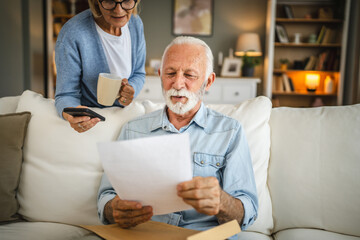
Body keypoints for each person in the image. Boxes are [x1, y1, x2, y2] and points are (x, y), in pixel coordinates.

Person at [97, 36, 258, 238]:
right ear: (160, 75)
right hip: (146, 235)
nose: (177, 83)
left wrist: (222, 201)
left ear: (208, 82)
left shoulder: (230, 132)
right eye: (170, 73)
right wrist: (115, 209)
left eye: (189, 75)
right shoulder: (133, 130)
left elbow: (247, 213)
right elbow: (106, 198)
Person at [55, 0, 146, 133]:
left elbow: (139, 73)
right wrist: (72, 114)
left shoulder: (136, 23)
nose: (119, 10)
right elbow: (65, 95)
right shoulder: (73, 33)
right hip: (91, 128)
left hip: (123, 124)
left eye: (126, 1)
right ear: (96, 2)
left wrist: (130, 89)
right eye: (109, 1)